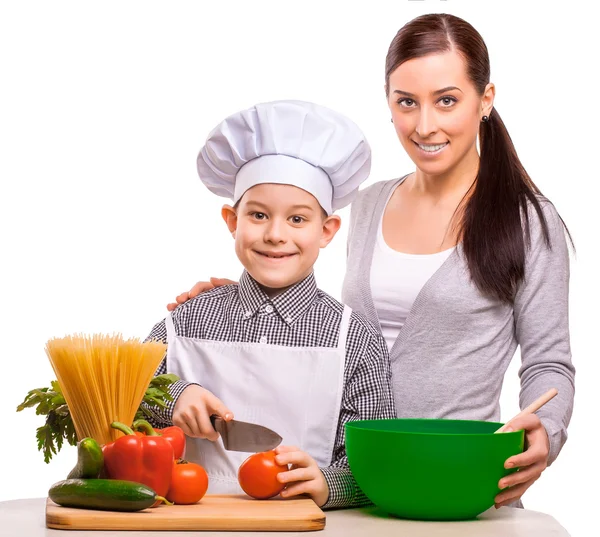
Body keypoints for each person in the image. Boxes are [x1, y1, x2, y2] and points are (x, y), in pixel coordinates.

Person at [168, 14, 575, 509]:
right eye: (407, 102)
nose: (425, 125)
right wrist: (238, 304)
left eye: (447, 100)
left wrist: (546, 430)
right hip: (355, 486)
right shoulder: (367, 205)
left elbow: (549, 361)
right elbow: (328, 326)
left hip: (458, 483)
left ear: (485, 99)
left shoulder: (528, 220)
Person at [144, 99, 396, 509]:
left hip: (305, 527)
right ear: (232, 221)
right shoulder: (184, 322)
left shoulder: (354, 341)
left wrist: (329, 484)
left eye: (297, 219)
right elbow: (123, 395)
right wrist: (176, 395)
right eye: (258, 215)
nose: (276, 235)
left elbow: (377, 464)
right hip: (190, 523)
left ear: (327, 230)